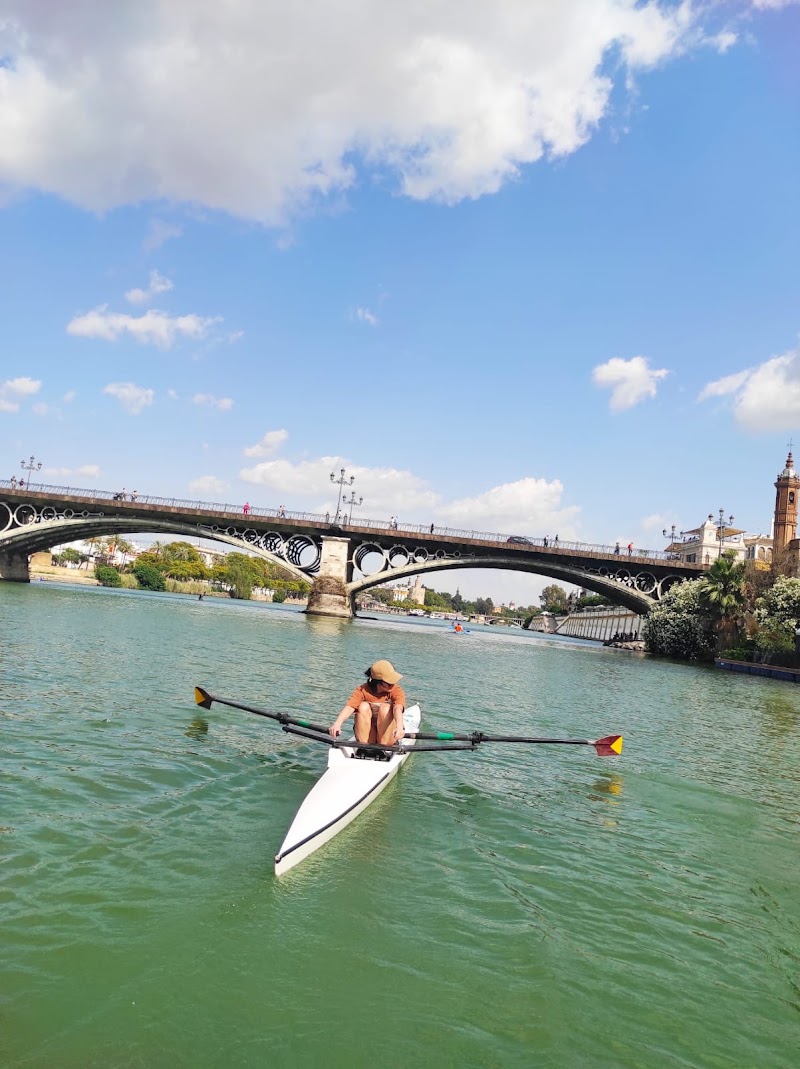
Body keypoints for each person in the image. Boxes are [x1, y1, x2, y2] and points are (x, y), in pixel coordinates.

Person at [329, 660, 406, 749]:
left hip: (388, 737)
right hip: (369, 736)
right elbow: (349, 707)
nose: (392, 684)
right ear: (378, 682)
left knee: (386, 708)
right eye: (389, 682)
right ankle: (364, 747)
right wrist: (337, 724)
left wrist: (400, 727)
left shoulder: (396, 690)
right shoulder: (362, 690)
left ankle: (383, 748)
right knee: (363, 706)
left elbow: (397, 708)